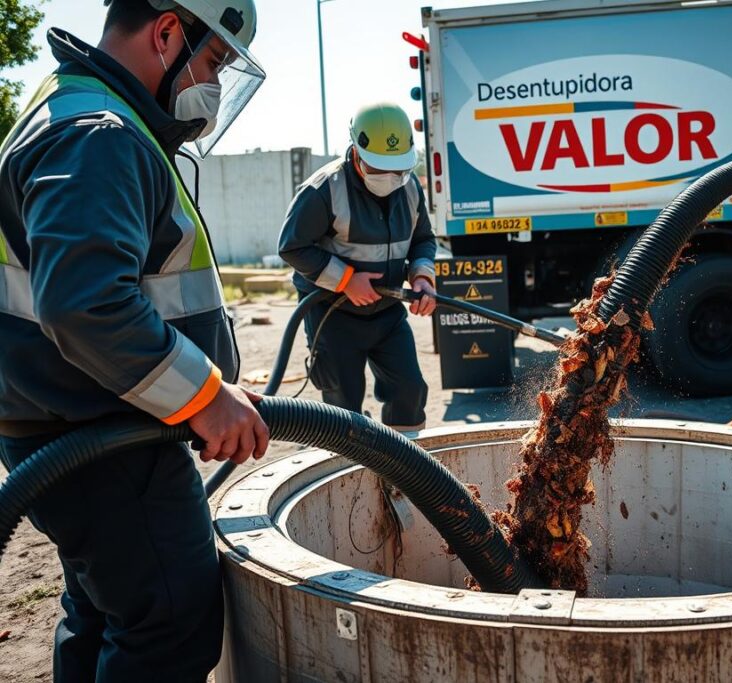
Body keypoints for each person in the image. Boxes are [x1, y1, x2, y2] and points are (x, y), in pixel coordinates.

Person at [0, 1, 267, 679]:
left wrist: (216, 386)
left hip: (80, 430)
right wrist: (206, 396)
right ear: (168, 31)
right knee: (170, 622)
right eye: (212, 61)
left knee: (100, 613)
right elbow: (86, 304)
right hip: (106, 439)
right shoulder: (101, 134)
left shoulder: (77, 110)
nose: (211, 82)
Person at [279, 103, 437, 432]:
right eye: (379, 169)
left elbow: (422, 239)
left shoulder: (409, 187)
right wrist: (346, 280)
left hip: (388, 314)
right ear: (356, 151)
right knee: (343, 409)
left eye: (398, 169)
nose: (390, 179)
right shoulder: (324, 189)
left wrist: (422, 277)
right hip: (333, 314)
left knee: (409, 391)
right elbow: (292, 247)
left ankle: (408, 474)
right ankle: (353, 474)